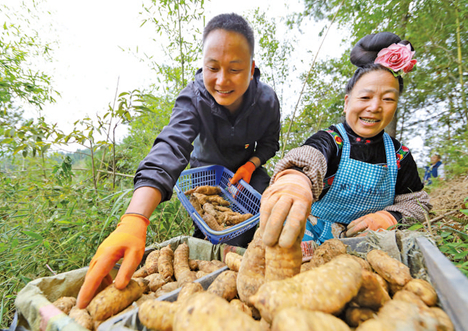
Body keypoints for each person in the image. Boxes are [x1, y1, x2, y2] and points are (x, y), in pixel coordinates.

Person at [76, 13, 280, 308]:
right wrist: (135, 218)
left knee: (260, 219)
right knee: (210, 235)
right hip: (206, 175)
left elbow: (271, 143)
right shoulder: (194, 98)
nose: (222, 80)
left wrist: (252, 163)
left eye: (235, 69)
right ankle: (213, 279)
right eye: (213, 68)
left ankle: (254, 279)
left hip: (247, 171)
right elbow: (171, 146)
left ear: (251, 69)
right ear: (203, 65)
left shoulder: (267, 101)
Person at [259, 32, 432, 249]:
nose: (375, 107)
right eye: (365, 97)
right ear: (347, 102)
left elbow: (417, 203)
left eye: (388, 99)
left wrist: (390, 218)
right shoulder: (332, 141)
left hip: (368, 245)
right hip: (310, 237)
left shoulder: (400, 156)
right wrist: (295, 178)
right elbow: (310, 155)